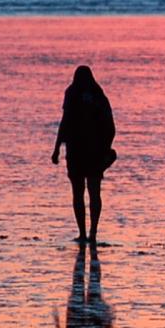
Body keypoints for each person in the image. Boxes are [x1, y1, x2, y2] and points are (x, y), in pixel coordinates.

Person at [51, 65, 115, 242]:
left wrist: (57, 148)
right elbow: (110, 127)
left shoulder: (74, 93)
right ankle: (91, 233)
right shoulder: (98, 95)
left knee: (80, 193)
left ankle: (85, 233)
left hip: (79, 151)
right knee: (92, 192)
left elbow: (65, 122)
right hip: (89, 152)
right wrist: (106, 148)